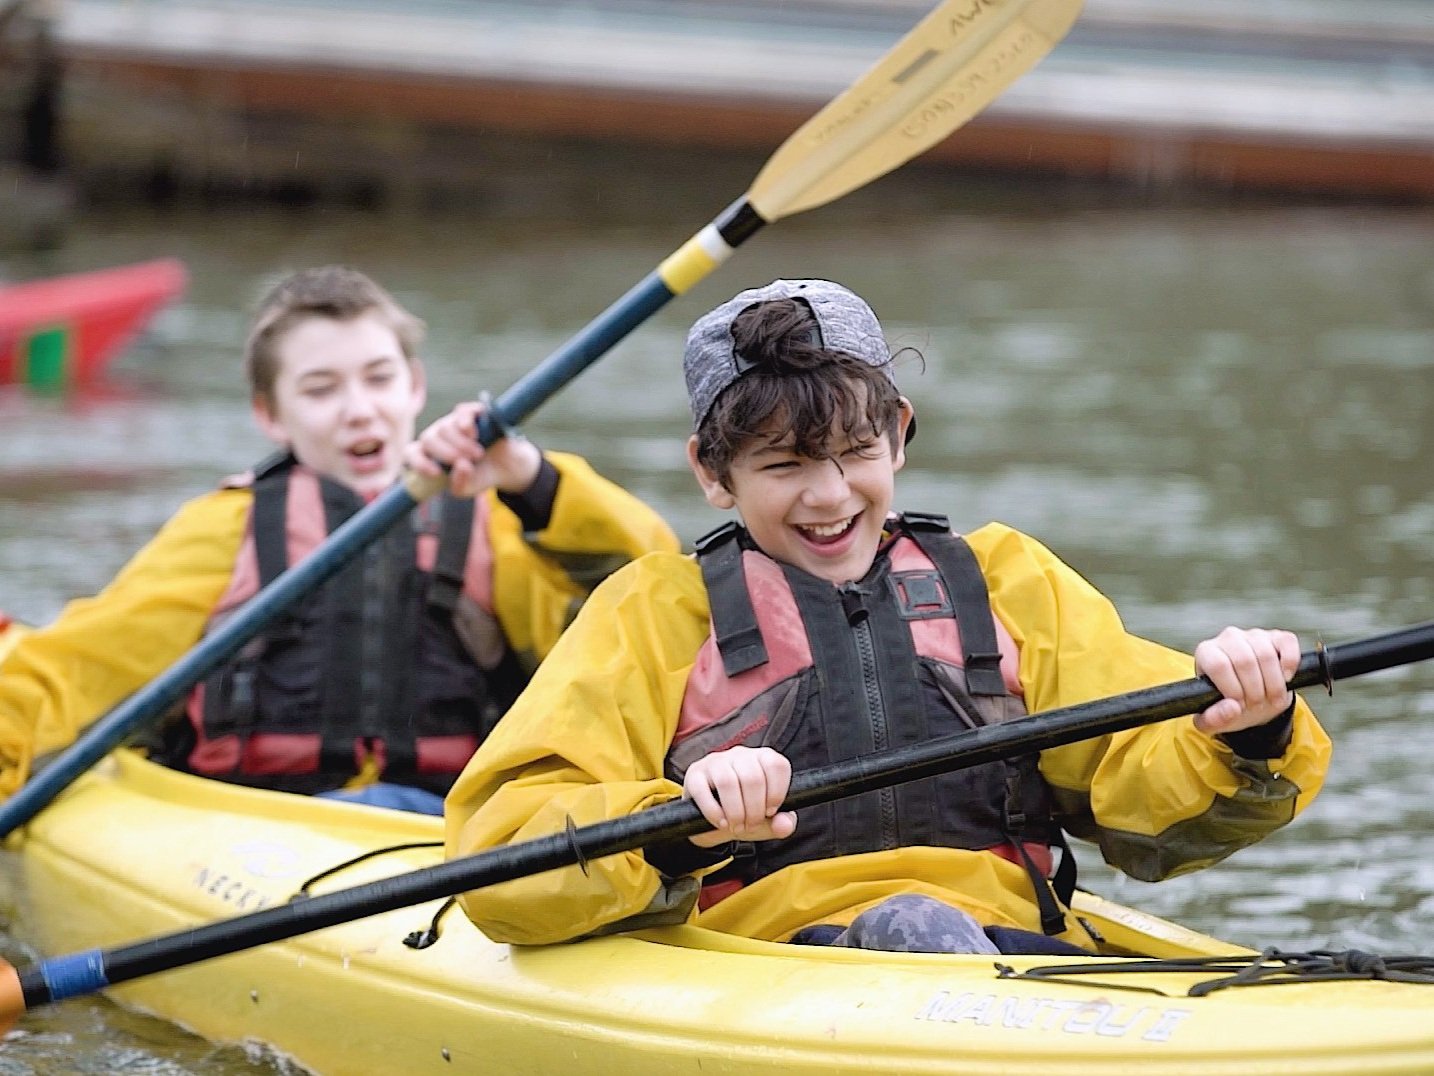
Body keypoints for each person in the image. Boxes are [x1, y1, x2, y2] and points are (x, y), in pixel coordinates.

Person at [444, 278, 1332, 954]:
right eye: (784, 465)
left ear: (900, 434)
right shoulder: (650, 615)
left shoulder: (1009, 582)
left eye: (857, 452)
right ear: (713, 473)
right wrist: (677, 823)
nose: (829, 496)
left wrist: (1249, 729)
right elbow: (502, 863)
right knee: (912, 923)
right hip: (767, 967)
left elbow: (1156, 812)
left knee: (930, 927)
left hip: (1006, 956)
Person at [0, 265, 679, 813]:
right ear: (270, 414)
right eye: (321, 389)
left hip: (438, 831)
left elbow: (651, 597)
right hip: (249, 827)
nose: (360, 408)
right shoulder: (226, 529)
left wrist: (533, 479)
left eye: (379, 379)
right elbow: (72, 669)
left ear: (414, 386)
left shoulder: (499, 520)